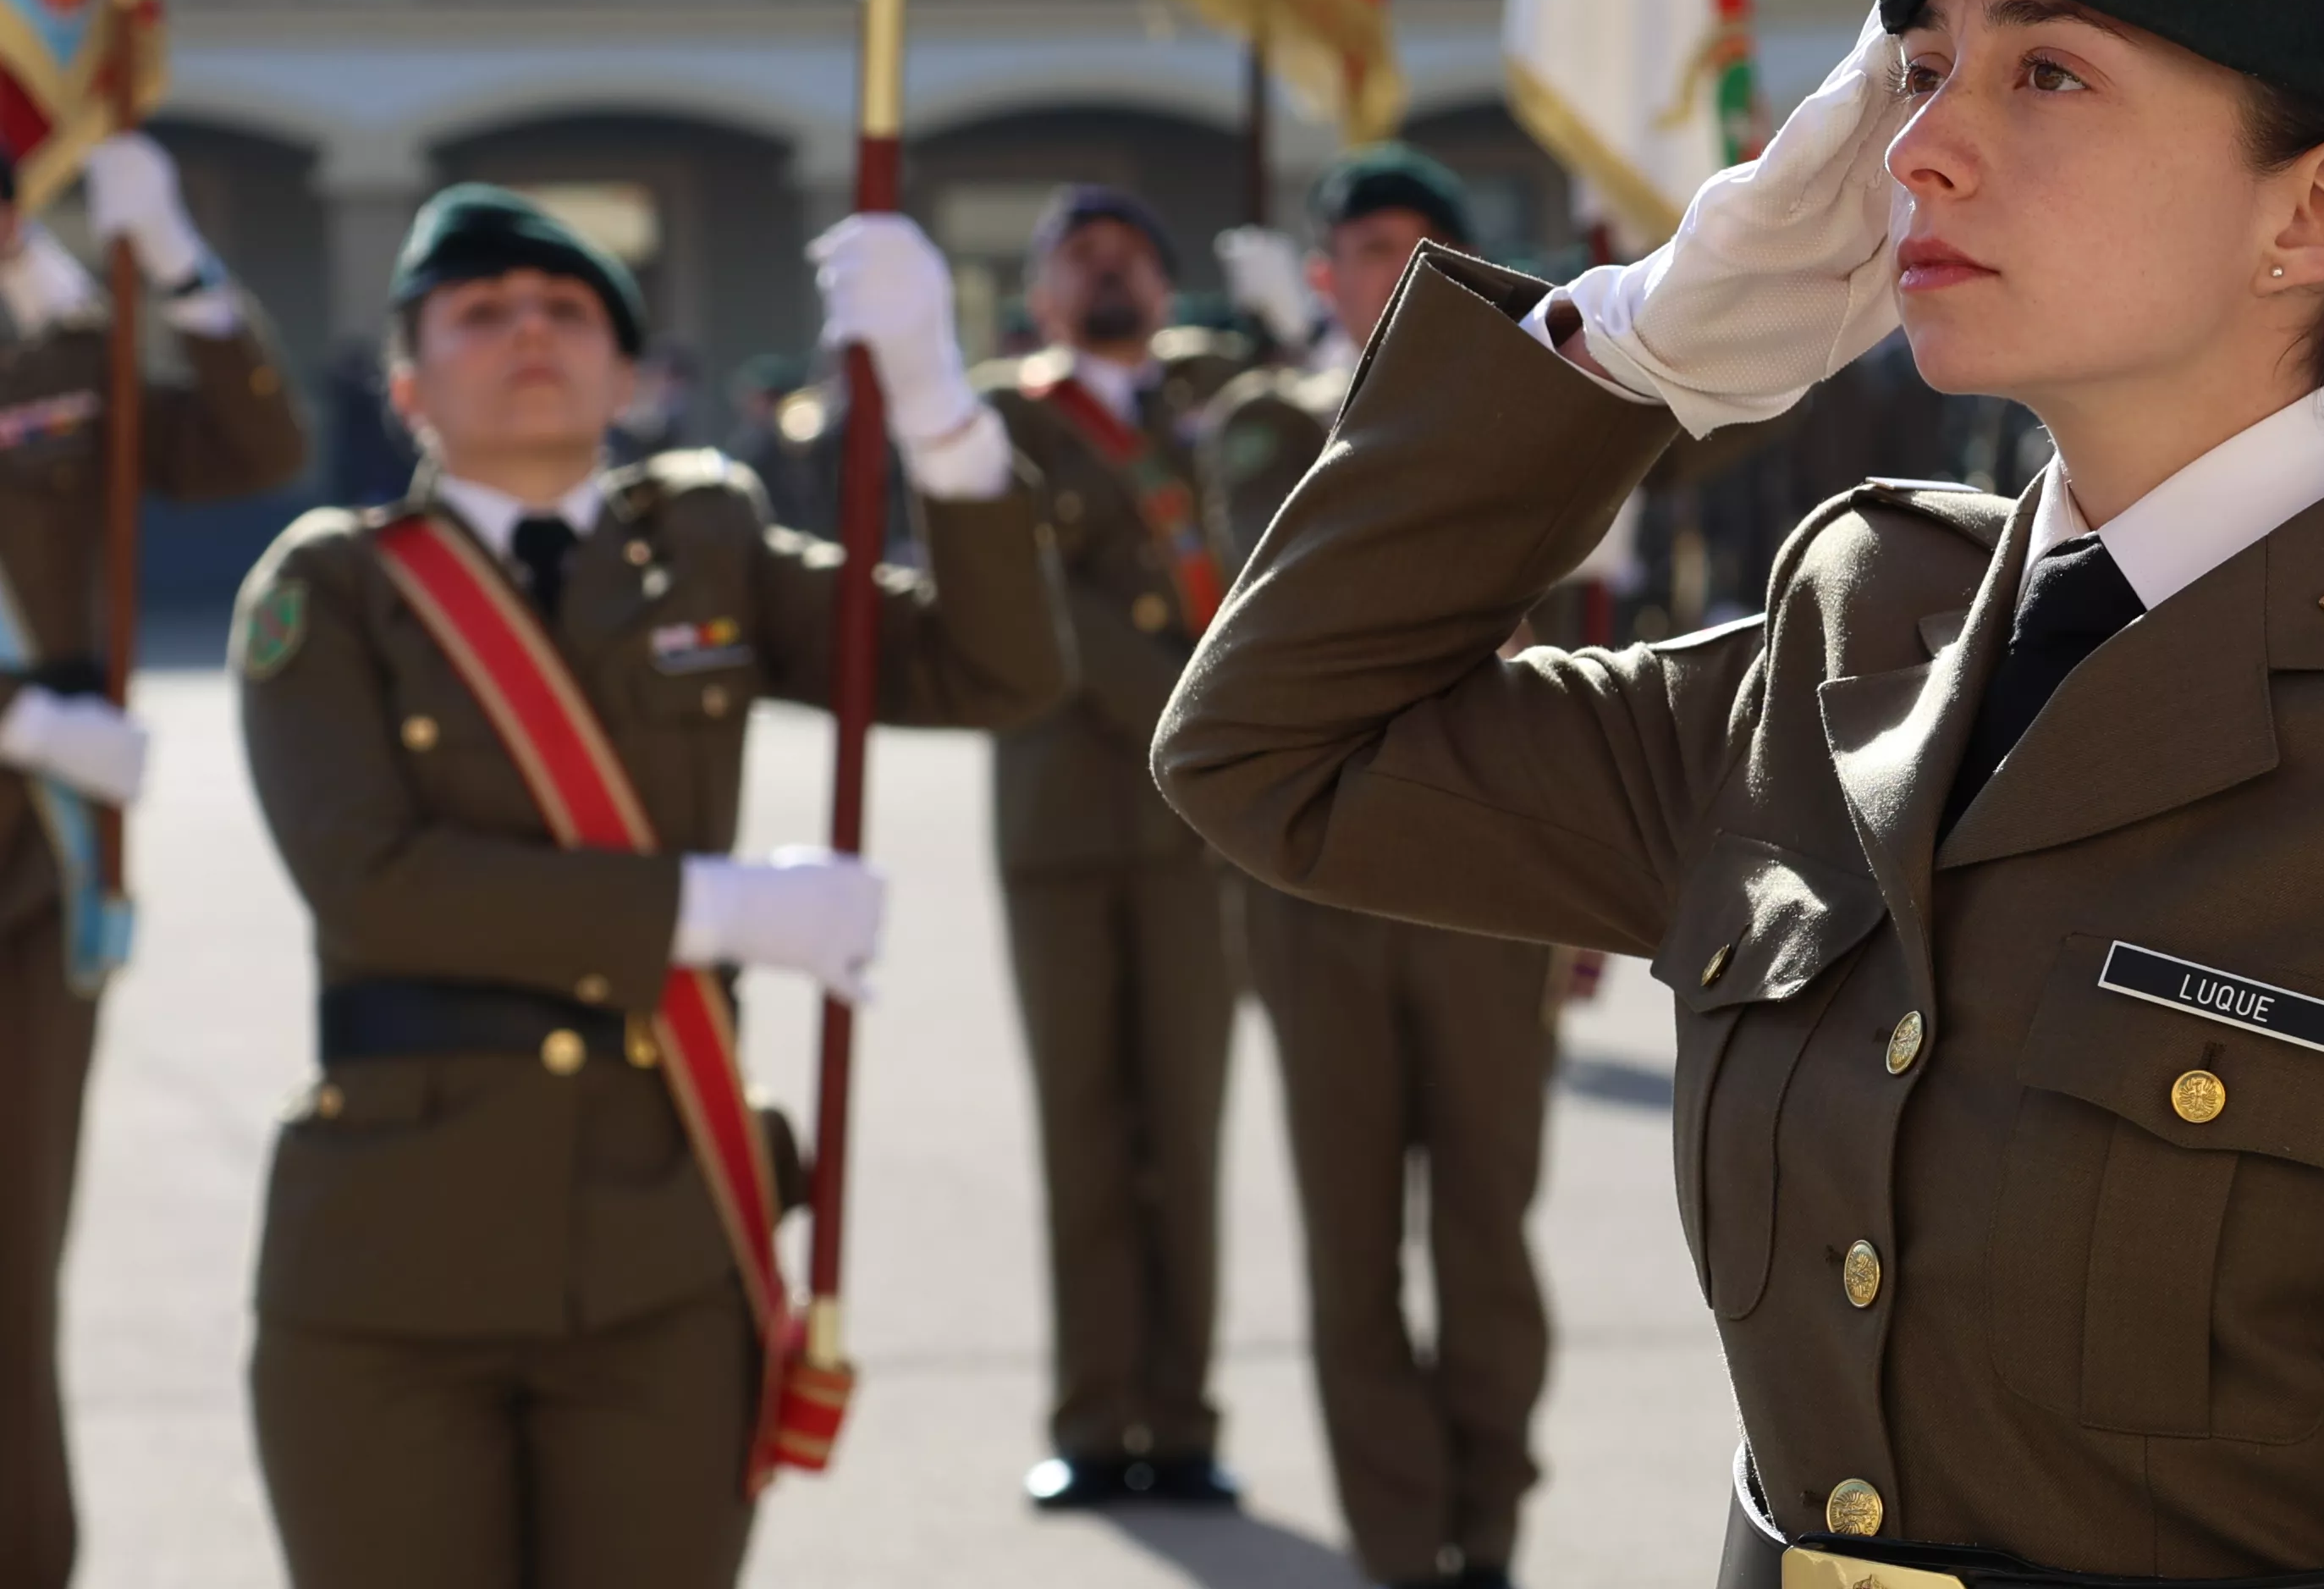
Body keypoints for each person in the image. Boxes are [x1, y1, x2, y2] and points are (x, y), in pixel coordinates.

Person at [1158, 0, 2324, 1586]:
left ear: (2313, 209)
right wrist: (1634, 343)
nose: (1918, 152)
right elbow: (1278, 749)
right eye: (1918, 72)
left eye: (2045, 75)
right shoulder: (1864, 631)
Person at [232, 185, 1069, 1588]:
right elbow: (371, 885)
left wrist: (936, 407)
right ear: (407, 385)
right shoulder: (331, 590)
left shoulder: (705, 544)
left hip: (662, 1241)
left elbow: (996, 671)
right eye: (481, 312)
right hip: (393, 1262)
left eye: (568, 310)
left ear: (627, 378)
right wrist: (718, 909)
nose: (529, 331)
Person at [1203, 147, 1558, 1589]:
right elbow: (1291, 610)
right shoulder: (1268, 423)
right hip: (1319, 888)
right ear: (1319, 277)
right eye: (1360, 250)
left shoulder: (1535, 423)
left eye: (1417, 248)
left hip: (1488, 883)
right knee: (1349, 1247)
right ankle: (1399, 1549)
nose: (1387, 274)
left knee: (1487, 1233)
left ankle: (1490, 1528)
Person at [0, 135, 309, 1589]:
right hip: (44, 762)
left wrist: (179, 268)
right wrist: (22, 722)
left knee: (14, 1257)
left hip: (34, 866)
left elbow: (256, 450)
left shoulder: (60, 350)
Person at [976, 184, 1251, 1509]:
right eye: (1079, 255)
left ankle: (1182, 1420)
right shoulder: (1010, 422)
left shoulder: (1215, 411)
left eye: (1131, 257)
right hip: (1067, 822)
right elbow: (1045, 605)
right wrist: (1211, 717)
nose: (1106, 274)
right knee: (1083, 1130)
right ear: (1039, 294)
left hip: (1195, 838)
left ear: (1164, 288)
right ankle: (1092, 1420)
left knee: (1185, 1132)